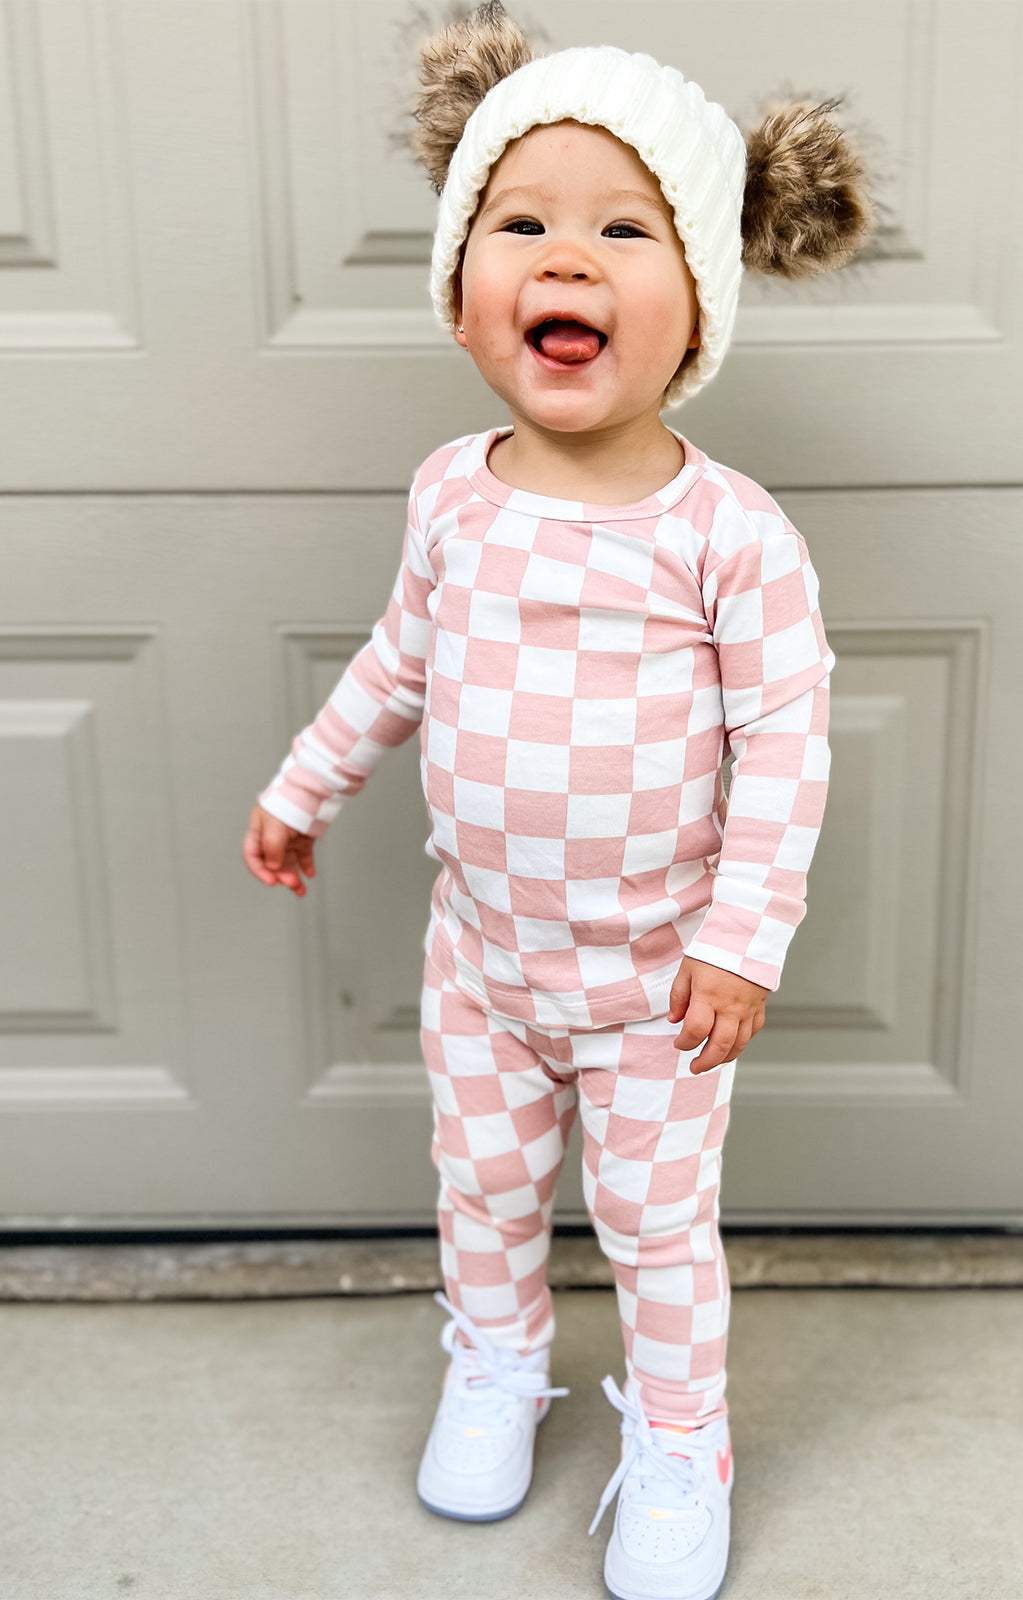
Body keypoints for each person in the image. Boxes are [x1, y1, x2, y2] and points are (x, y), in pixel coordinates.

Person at [243, 4, 873, 1596]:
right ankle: (497, 1366)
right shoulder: (451, 492)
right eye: (519, 224)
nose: (565, 260)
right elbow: (400, 661)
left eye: (621, 229)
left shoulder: (727, 536)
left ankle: (678, 1442)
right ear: (464, 299)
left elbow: (788, 746)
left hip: (660, 982)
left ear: (696, 309)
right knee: (487, 1186)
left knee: (659, 1234)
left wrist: (742, 941)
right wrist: (302, 785)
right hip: (484, 959)